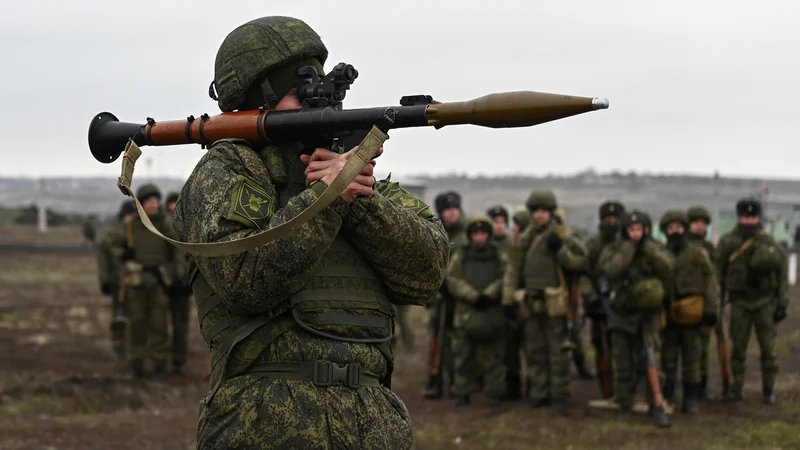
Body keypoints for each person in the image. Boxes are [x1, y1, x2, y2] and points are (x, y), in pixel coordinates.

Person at [172, 16, 450, 449]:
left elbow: (426, 273)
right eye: (297, 91)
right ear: (256, 99)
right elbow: (245, 279)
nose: (315, 101)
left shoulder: (357, 175)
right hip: (263, 420)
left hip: (372, 421)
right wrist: (327, 198)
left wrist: (360, 200)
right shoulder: (229, 169)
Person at [503, 190, 588, 409]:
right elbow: (514, 269)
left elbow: (581, 261)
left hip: (556, 302)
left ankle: (559, 394)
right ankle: (540, 392)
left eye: (544, 211)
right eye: (536, 211)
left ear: (551, 212)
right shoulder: (525, 238)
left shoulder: (563, 235)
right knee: (535, 351)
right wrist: (509, 299)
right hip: (530, 301)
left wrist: (560, 250)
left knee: (558, 351)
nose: (539, 216)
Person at [597, 210, 673, 427]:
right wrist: (628, 249)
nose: (636, 233)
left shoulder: (655, 247)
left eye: (639, 229)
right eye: (631, 230)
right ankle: (625, 405)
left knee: (651, 360)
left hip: (648, 313)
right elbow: (610, 270)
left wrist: (648, 248)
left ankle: (656, 405)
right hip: (621, 312)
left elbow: (668, 268)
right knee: (623, 362)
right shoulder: (614, 249)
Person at [715, 198, 788, 405]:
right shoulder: (728, 242)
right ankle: (736, 388)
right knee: (738, 348)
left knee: (768, 349)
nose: (749, 221)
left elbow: (782, 275)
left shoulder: (768, 243)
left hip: (765, 302)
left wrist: (782, 304)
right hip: (740, 303)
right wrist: (717, 303)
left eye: (753, 217)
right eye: (745, 217)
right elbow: (718, 272)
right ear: (739, 217)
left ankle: (768, 389)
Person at [111, 184, 184, 381]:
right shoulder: (131, 226)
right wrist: (124, 255)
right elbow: (114, 249)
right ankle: (136, 365)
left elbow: (177, 250)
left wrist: (177, 276)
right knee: (137, 324)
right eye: (149, 201)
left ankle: (160, 365)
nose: (154, 204)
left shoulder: (166, 224)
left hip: (159, 281)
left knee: (159, 325)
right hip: (136, 282)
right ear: (141, 204)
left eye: (156, 200)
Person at [658, 210, 718, 414]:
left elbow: (710, 281)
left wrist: (710, 309)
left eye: (679, 227)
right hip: (667, 313)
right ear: (665, 231)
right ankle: (667, 397)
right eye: (671, 228)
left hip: (692, 313)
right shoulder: (659, 253)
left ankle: (690, 399)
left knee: (692, 358)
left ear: (684, 228)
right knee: (668, 359)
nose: (675, 231)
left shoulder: (697, 254)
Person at [447, 216, 509, 406]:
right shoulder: (462, 255)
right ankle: (462, 392)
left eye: (483, 233)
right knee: (464, 357)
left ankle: (494, 393)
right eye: (476, 234)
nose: (480, 237)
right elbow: (453, 278)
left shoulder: (499, 254)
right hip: (467, 312)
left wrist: (489, 294)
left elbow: (506, 276)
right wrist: (473, 296)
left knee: (494, 357)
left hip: (492, 312)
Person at [423, 190, 469, 399]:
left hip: (460, 296)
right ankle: (435, 378)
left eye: (454, 209)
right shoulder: (435, 233)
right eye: (447, 210)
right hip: (440, 297)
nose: (452, 214)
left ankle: (457, 380)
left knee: (458, 340)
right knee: (437, 338)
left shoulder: (467, 235)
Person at [582, 201, 625, 398]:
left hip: (623, 303)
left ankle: (627, 388)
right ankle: (606, 389)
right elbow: (583, 273)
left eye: (615, 219)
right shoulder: (592, 245)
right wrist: (590, 294)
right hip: (599, 303)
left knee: (624, 348)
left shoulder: (627, 244)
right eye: (607, 220)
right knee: (601, 347)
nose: (612, 223)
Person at [96, 200, 137, 360]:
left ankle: (135, 347)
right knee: (119, 316)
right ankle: (119, 346)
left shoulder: (140, 232)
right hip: (117, 281)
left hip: (136, 281)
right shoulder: (112, 234)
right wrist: (105, 281)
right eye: (129, 214)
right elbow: (104, 259)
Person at [686, 205, 718, 400]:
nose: (699, 227)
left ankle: (701, 387)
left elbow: (714, 277)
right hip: (686, 303)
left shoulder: (709, 249)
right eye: (695, 223)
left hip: (705, 303)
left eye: (702, 223)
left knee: (703, 348)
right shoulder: (682, 246)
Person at [164, 190, 190, 374]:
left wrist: (188, 280)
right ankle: (159, 359)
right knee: (158, 324)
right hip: (164, 283)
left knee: (180, 325)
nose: (174, 206)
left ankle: (178, 361)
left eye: (177, 203)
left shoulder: (190, 225)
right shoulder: (161, 226)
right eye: (171, 203)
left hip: (183, 283)